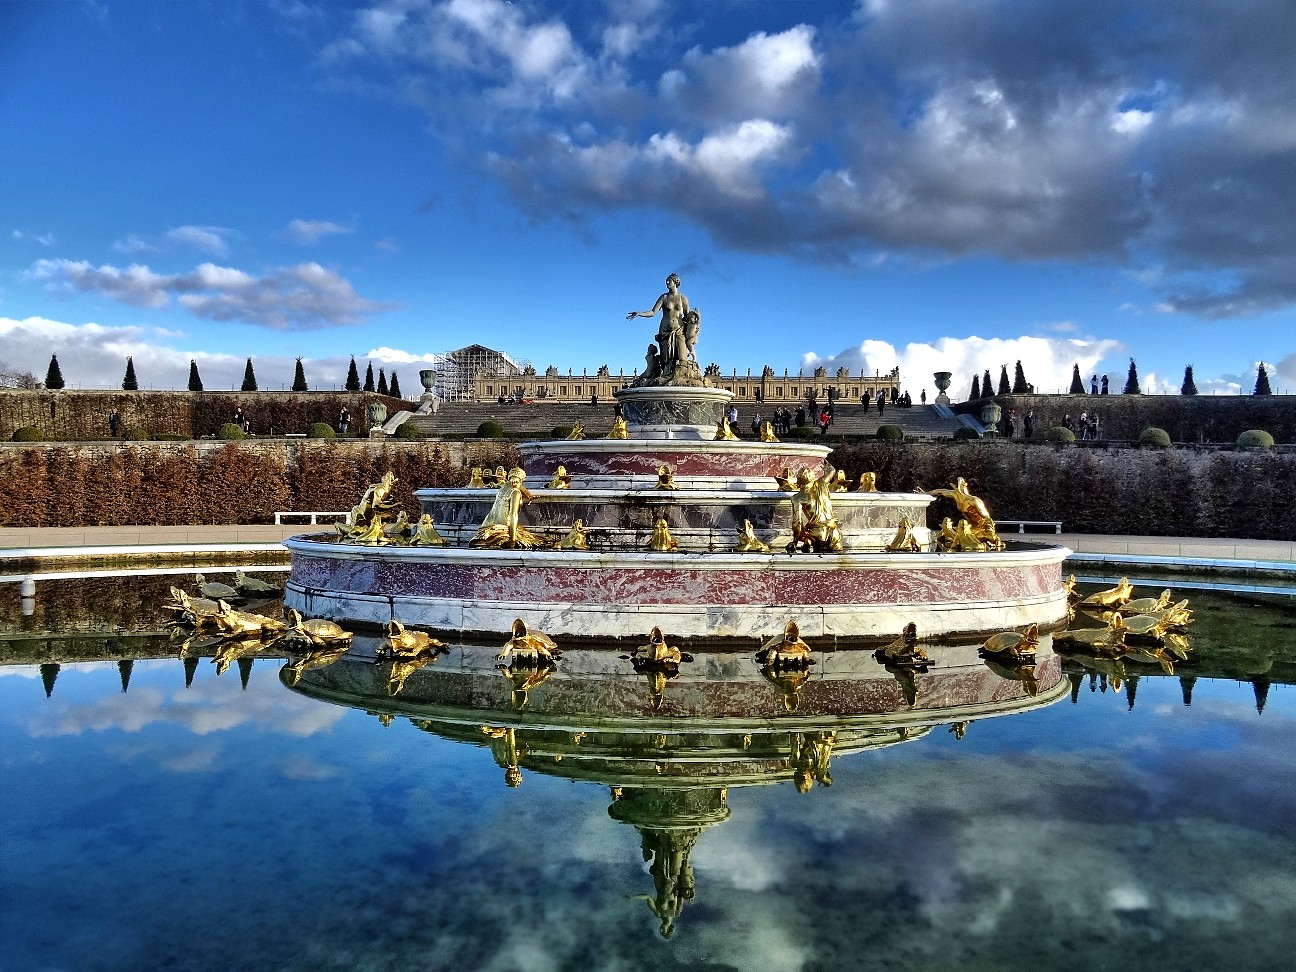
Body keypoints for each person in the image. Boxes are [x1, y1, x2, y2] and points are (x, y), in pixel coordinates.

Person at [627, 273, 691, 375]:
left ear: (675, 282)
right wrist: (639, 313)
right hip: (665, 331)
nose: (667, 283)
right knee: (666, 360)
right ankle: (666, 377)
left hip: (679, 331)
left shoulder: (682, 298)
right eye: (666, 281)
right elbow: (652, 312)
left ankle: (680, 378)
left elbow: (688, 316)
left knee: (682, 357)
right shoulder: (664, 297)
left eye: (669, 281)